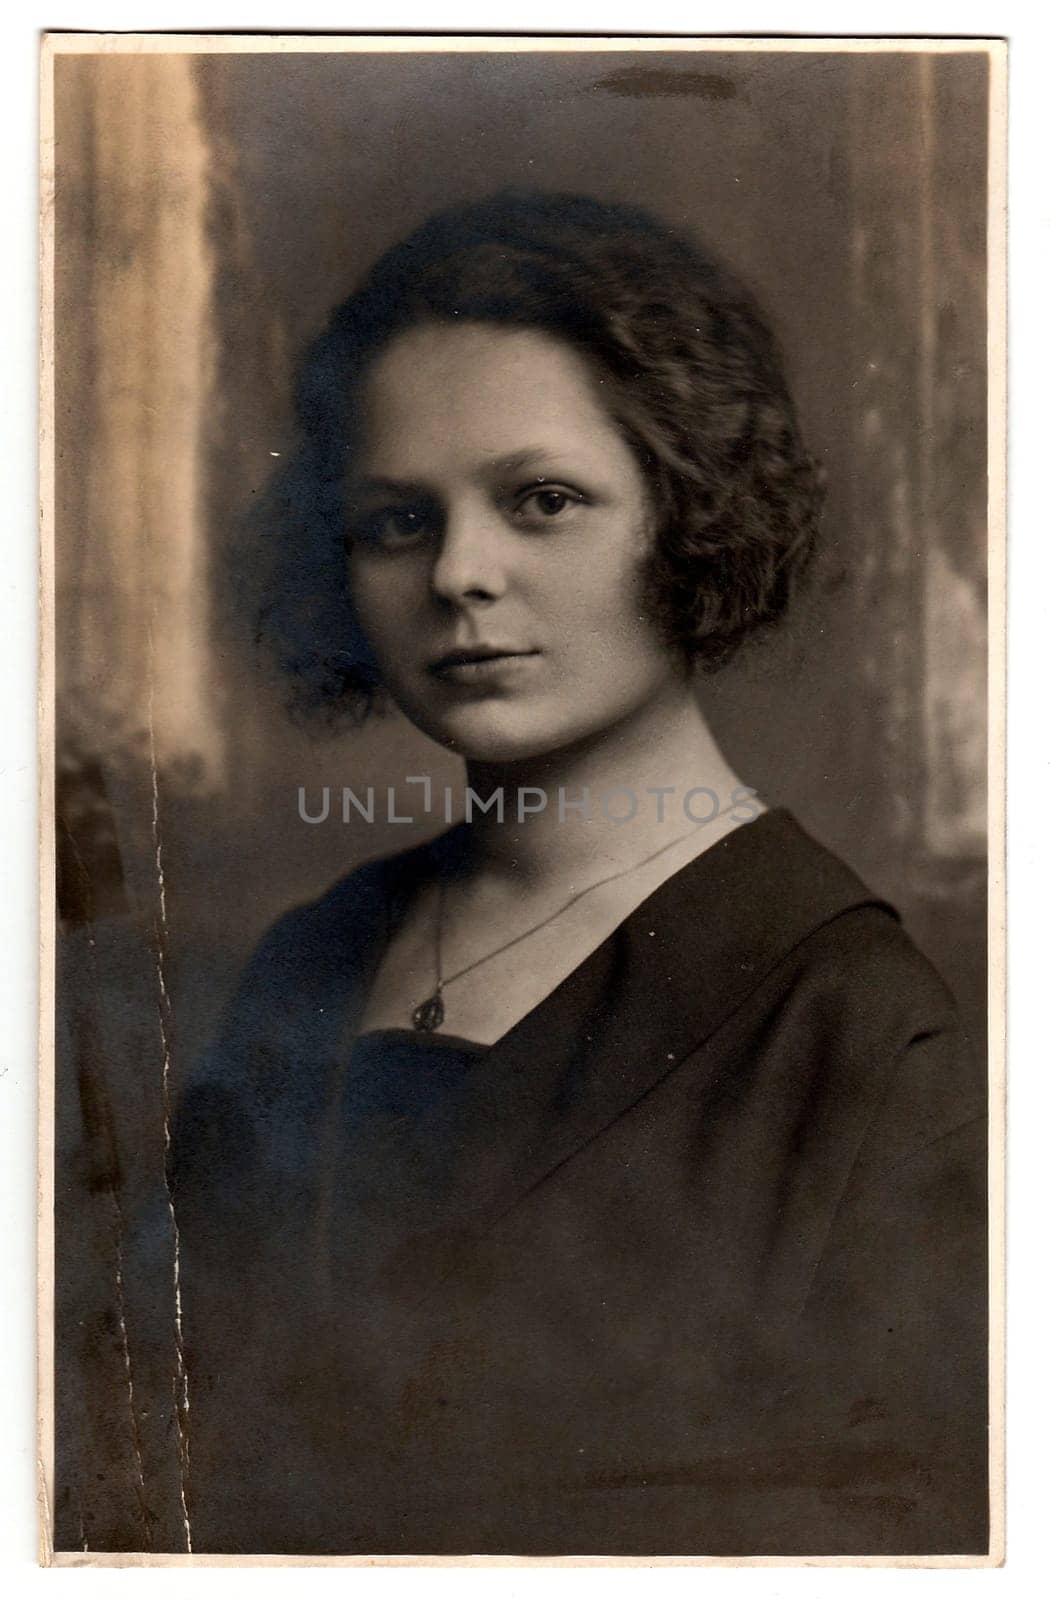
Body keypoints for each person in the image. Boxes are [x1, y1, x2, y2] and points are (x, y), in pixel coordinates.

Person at [170, 191, 988, 1556]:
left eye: (540, 501)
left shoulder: (850, 1022)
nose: (460, 575)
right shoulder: (312, 956)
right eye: (392, 521)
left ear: (689, 515)